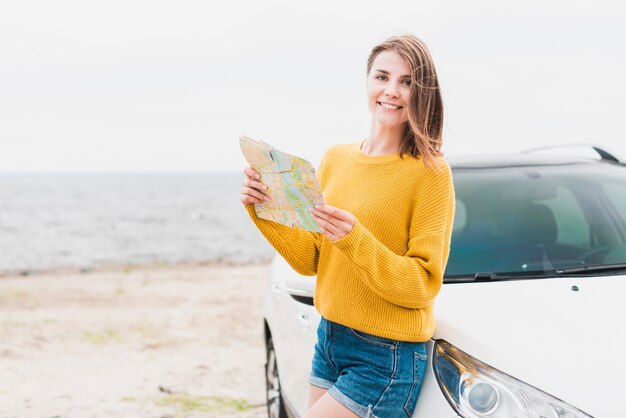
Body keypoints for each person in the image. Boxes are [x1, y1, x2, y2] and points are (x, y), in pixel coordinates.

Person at [240, 34, 455, 418]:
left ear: (422, 92)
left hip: (386, 355)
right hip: (330, 338)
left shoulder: (430, 174)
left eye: (406, 82)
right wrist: (263, 209)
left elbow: (423, 283)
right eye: (382, 77)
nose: (391, 91)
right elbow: (310, 259)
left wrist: (355, 238)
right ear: (367, 82)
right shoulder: (335, 159)